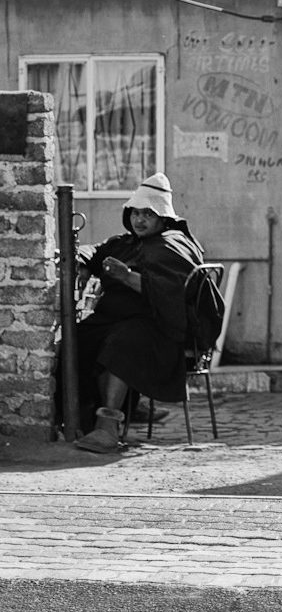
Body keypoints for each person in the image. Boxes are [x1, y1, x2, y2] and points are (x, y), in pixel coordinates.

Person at [67, 173, 204, 453]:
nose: (139, 220)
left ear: (163, 217)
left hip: (158, 329)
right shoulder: (125, 242)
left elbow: (175, 293)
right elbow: (96, 251)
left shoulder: (174, 246)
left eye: (148, 214)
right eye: (135, 213)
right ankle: (80, 416)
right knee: (75, 338)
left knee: (122, 343)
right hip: (112, 320)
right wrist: (81, 261)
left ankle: (107, 425)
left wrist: (127, 277)